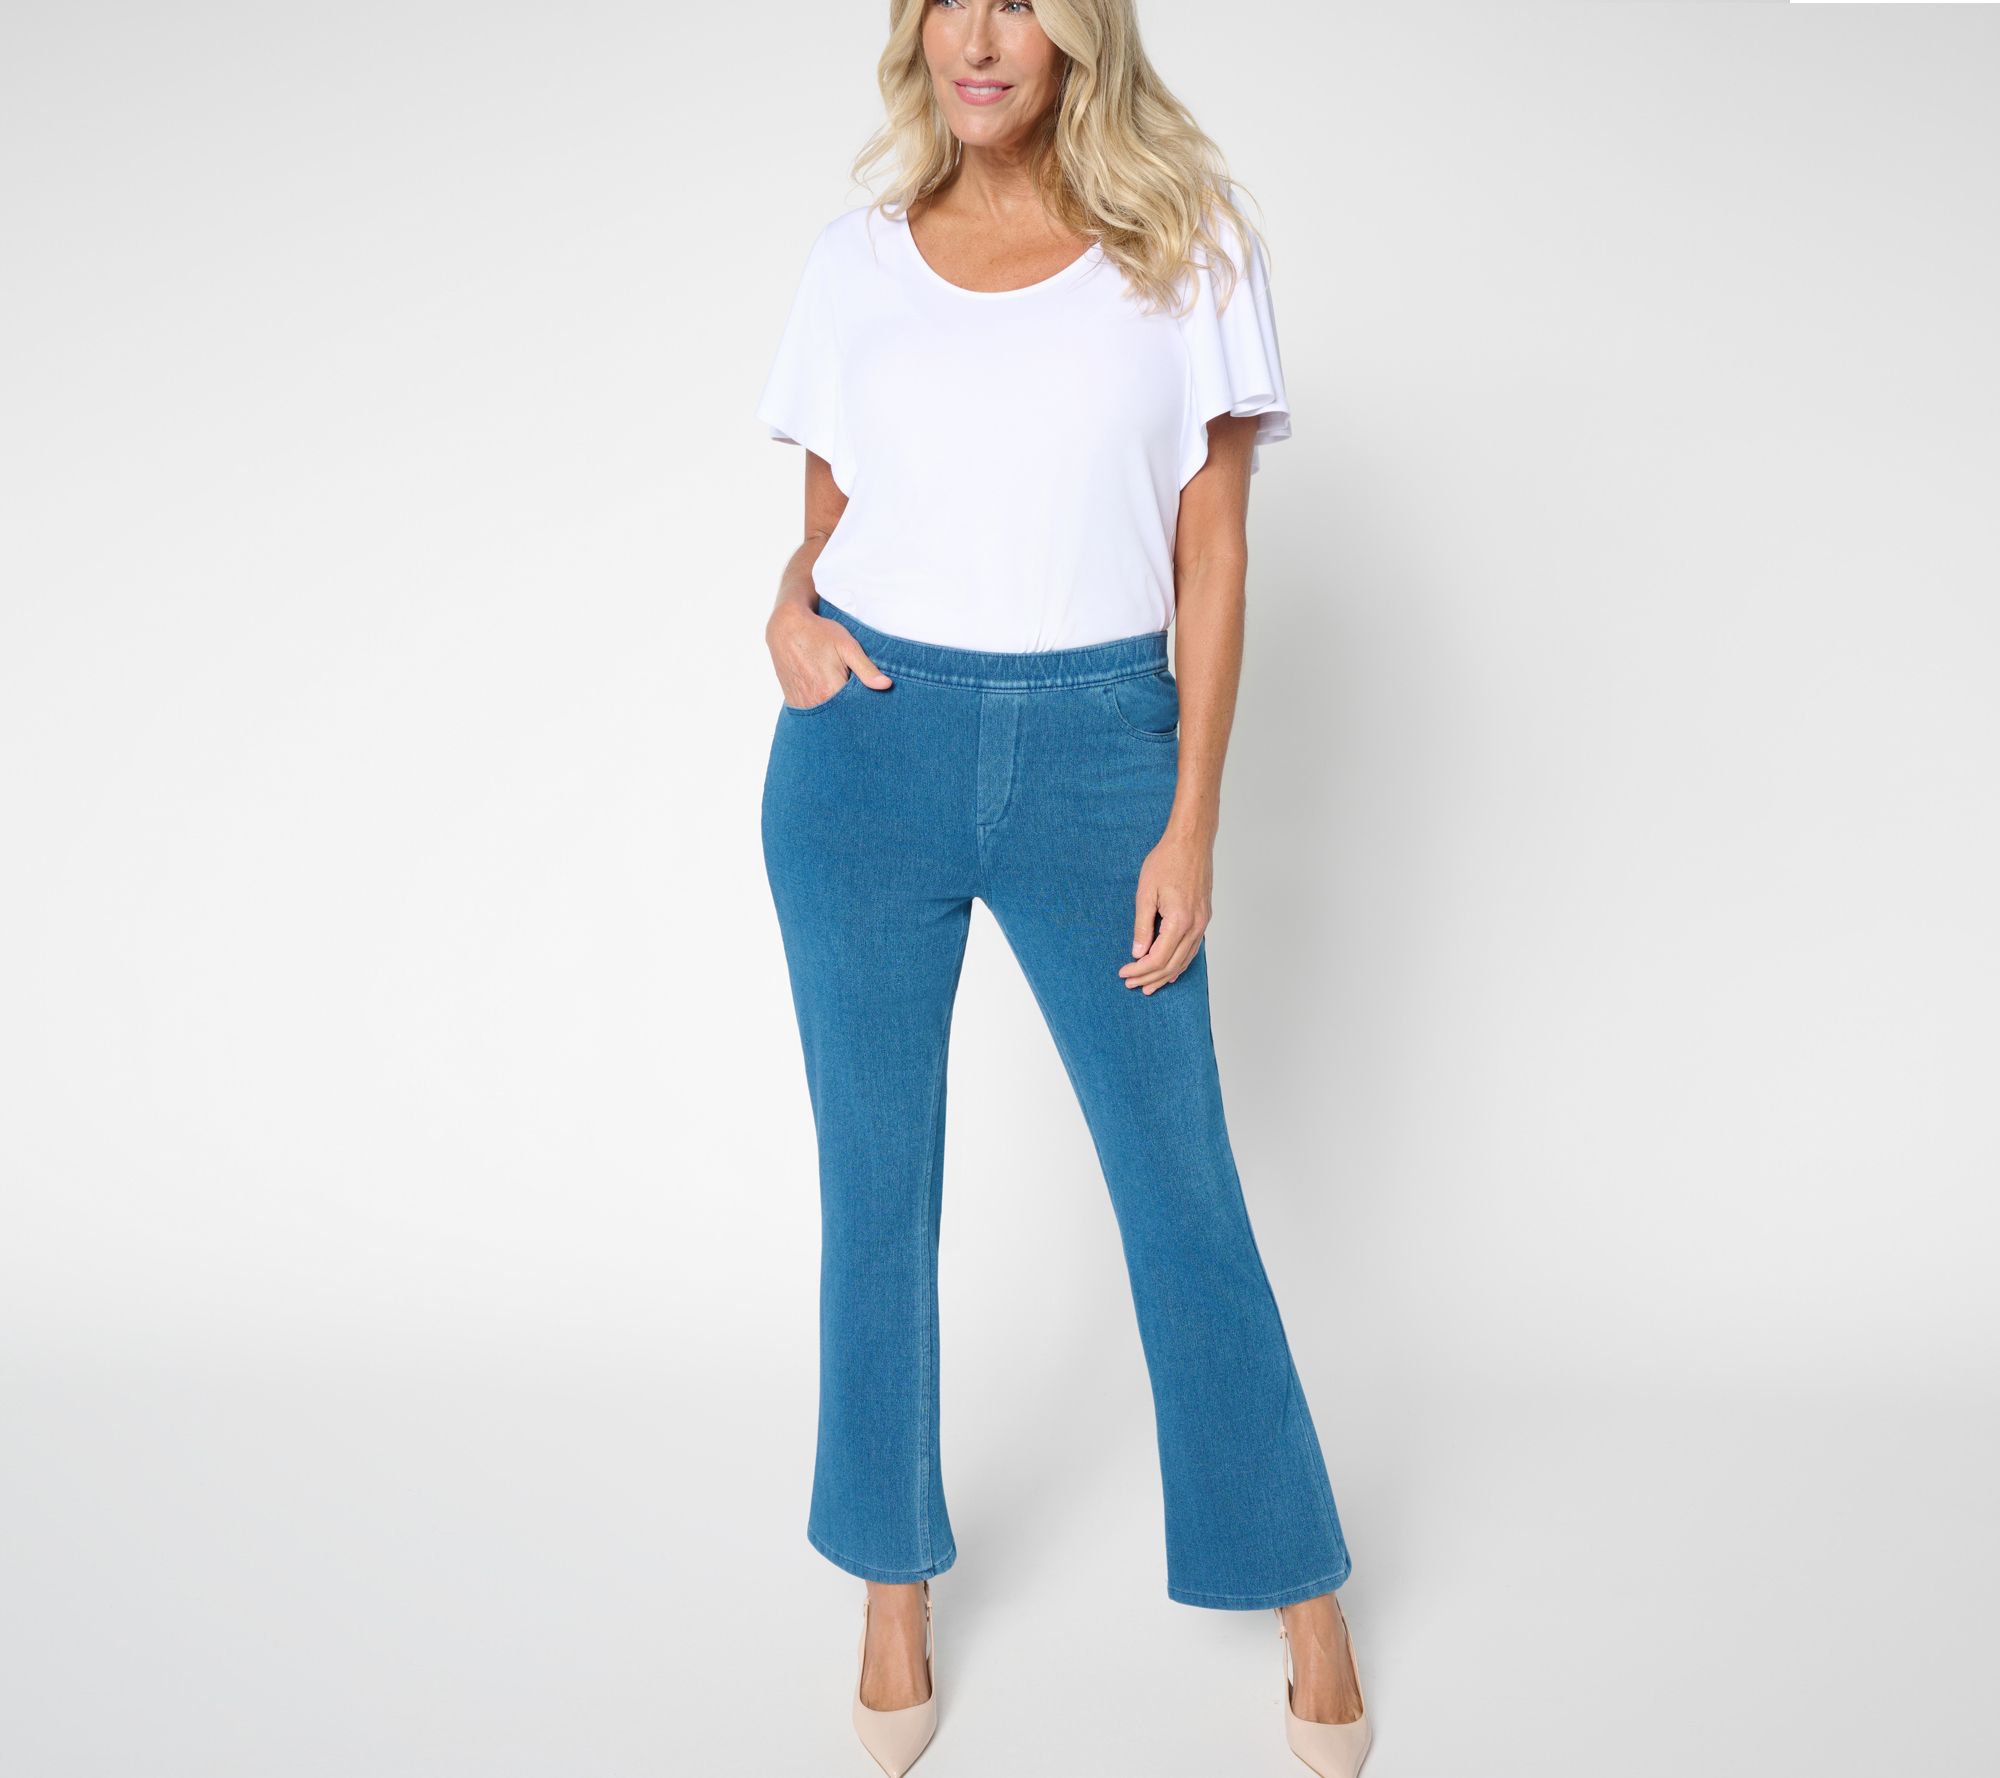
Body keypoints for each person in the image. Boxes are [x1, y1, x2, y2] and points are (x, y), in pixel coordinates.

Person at [754, 3, 1370, 1773]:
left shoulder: (1190, 245)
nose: (981, 32)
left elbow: (1215, 554)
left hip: (1103, 752)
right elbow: (830, 524)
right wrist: (785, 609)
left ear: (1082, 31)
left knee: (1180, 1187)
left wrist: (1193, 821)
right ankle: (889, 1581)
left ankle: (1298, 1579)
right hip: (865, 754)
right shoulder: (857, 262)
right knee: (876, 1192)